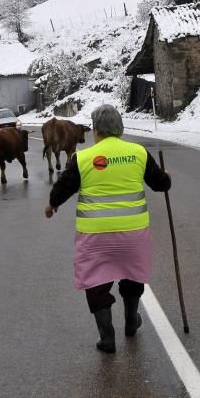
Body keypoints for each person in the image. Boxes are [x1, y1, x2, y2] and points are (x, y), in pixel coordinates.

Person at [44, 104, 171, 353]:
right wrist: (167, 177)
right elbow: (159, 184)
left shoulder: (83, 158)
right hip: (133, 234)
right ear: (119, 127)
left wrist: (51, 205)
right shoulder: (138, 153)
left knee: (96, 283)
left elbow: (62, 188)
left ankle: (107, 337)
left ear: (96, 131)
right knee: (132, 275)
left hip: (95, 236)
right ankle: (132, 320)